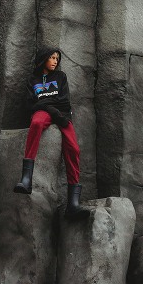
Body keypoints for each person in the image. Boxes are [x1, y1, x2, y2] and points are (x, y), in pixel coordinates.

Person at [14, 46, 90, 220]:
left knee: (74, 148)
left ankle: (73, 204)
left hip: (61, 115)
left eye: (57, 58)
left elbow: (64, 101)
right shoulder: (32, 80)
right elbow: (31, 105)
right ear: (44, 59)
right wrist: (49, 107)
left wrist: (48, 105)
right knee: (37, 122)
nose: (55, 61)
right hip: (47, 113)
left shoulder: (61, 77)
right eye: (52, 58)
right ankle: (26, 179)